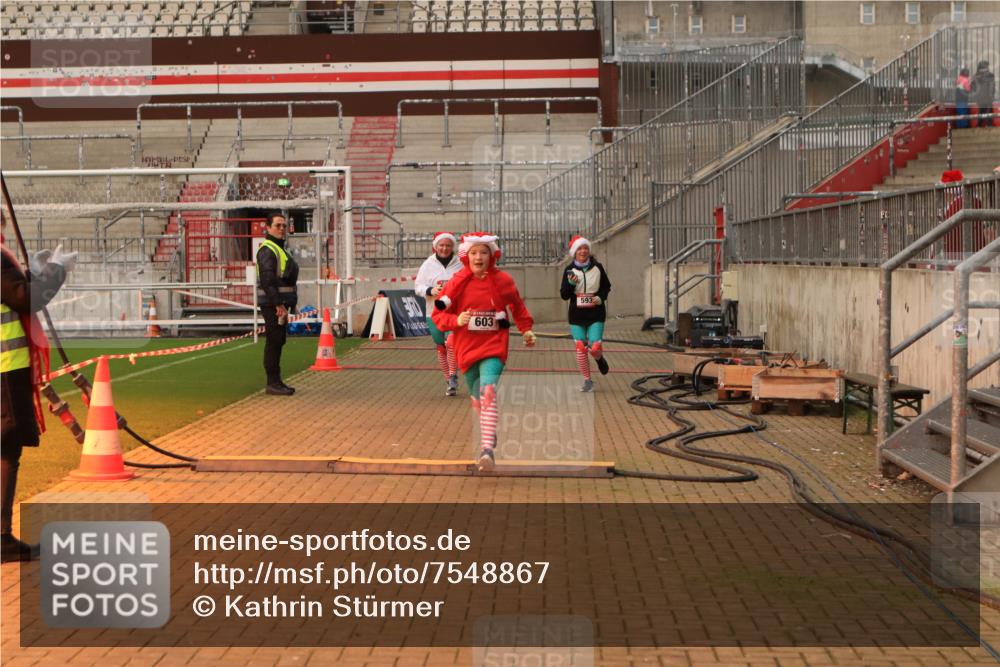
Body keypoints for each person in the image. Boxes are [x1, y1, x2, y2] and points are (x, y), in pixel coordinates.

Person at [1, 219, 76, 562]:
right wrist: (55, 272)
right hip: (5, 369)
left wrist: (30, 271)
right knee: (6, 450)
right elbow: (24, 298)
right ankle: (1, 539)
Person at [432, 233, 536, 471]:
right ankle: (490, 430)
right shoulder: (457, 283)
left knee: (487, 390)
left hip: (494, 345)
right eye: (474, 253)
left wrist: (527, 329)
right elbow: (439, 315)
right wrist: (456, 320)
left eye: (484, 252)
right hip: (466, 348)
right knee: (477, 398)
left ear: (493, 255)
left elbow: (518, 307)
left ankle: (486, 449)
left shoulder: (503, 281)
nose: (479, 257)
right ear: (466, 256)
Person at [559, 236, 612, 392]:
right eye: (580, 249)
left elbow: (606, 287)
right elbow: (564, 295)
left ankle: (599, 358)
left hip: (596, 314)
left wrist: (600, 298)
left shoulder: (598, 267)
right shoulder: (569, 270)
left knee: (595, 347)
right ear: (574, 252)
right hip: (577, 316)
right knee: (581, 348)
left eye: (586, 248)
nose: (583, 251)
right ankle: (587, 380)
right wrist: (571, 284)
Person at [414, 232, 462, 396]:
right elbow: (418, 287)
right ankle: (448, 379)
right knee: (441, 346)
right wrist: (431, 290)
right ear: (435, 246)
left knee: (451, 343)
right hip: (433, 312)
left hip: (454, 312)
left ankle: (453, 376)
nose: (445, 248)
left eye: (448, 245)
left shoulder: (460, 264)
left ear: (452, 247)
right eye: (441, 245)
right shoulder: (427, 265)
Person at [256, 212, 299, 396]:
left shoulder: (278, 248)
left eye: (284, 226)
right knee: (274, 342)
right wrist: (278, 304)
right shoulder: (268, 250)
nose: (282, 229)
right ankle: (273, 383)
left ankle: (276, 381)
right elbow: (267, 280)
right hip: (273, 305)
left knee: (278, 341)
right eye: (278, 225)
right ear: (268, 227)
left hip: (278, 304)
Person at [971, 60, 996, 128]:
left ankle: (979, 125)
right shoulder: (990, 75)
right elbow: (992, 87)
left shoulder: (976, 76)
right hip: (987, 97)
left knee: (982, 111)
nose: (988, 67)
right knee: (988, 111)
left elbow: (972, 87)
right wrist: (992, 95)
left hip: (980, 97)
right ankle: (988, 124)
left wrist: (975, 94)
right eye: (987, 66)